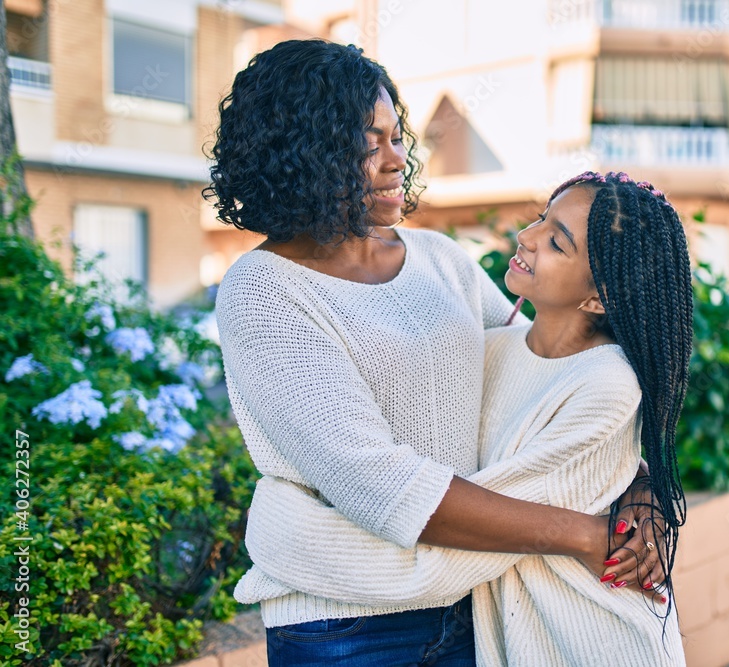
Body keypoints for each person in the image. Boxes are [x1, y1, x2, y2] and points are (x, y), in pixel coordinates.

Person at [208, 40, 665, 666]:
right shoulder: (263, 293)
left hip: (476, 599)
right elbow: (380, 483)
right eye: (369, 142)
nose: (397, 159)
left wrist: (635, 483)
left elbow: (547, 374)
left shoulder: (438, 260)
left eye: (397, 136)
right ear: (302, 154)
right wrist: (586, 534)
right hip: (346, 627)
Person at [245, 171, 692, 665]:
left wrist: (639, 483)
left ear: (598, 298)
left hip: (587, 637)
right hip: (417, 626)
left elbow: (497, 510)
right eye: (542, 219)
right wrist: (597, 520)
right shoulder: (495, 348)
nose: (525, 236)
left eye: (557, 241)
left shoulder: (603, 379)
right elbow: (399, 486)